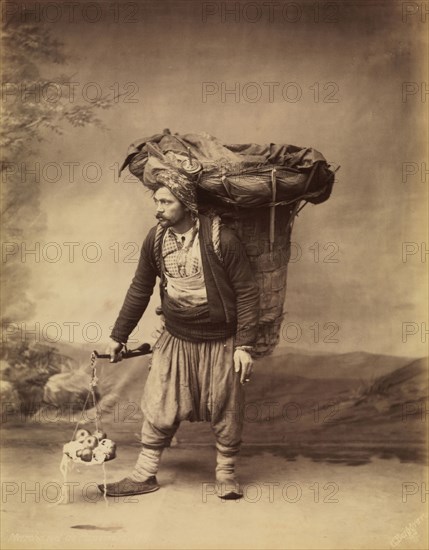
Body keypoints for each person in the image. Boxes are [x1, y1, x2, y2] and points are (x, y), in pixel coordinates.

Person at [99, 168, 259, 499]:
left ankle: (226, 474)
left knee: (226, 405)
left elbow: (247, 291)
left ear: (186, 204)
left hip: (221, 339)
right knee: (159, 402)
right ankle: (144, 474)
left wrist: (244, 346)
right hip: (176, 336)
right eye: (156, 200)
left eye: (166, 201)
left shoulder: (221, 240)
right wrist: (118, 335)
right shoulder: (156, 239)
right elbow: (140, 287)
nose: (158, 208)